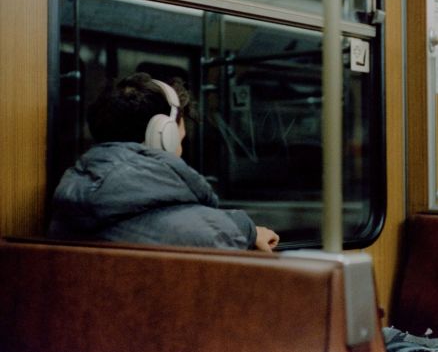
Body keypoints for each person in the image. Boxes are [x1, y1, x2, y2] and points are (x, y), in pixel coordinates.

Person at [48, 72, 279, 252]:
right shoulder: (212, 237)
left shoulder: (66, 214)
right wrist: (242, 231)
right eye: (179, 134)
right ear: (164, 135)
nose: (181, 143)